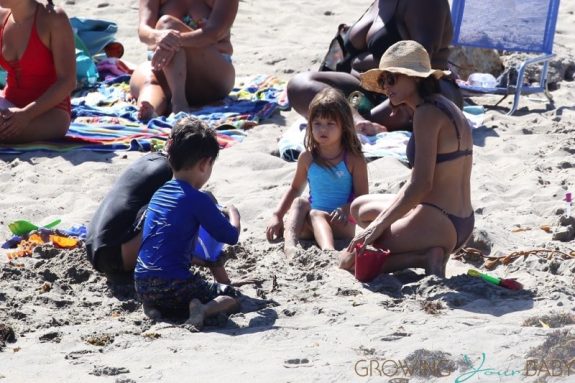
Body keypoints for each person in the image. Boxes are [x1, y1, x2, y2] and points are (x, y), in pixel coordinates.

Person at [339, 40, 474, 278]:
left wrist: (375, 228)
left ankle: (423, 257)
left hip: (440, 221)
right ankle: (423, 246)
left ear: (414, 78)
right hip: (459, 218)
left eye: (392, 79)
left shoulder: (426, 114)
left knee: (352, 262)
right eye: (383, 80)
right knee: (359, 207)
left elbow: (422, 184)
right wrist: (377, 223)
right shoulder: (445, 105)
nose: (386, 86)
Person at [287, 0, 461, 134]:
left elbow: (422, 65)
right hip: (369, 87)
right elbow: (341, 52)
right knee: (299, 85)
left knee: (413, 106)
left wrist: (382, 109)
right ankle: (354, 120)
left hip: (413, 92)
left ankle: (354, 121)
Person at [134, 116, 240, 326]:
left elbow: (161, 244)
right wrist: (234, 213)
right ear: (204, 164)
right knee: (232, 297)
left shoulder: (158, 194)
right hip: (175, 285)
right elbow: (231, 236)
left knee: (170, 292)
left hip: (142, 285)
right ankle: (203, 309)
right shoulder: (197, 199)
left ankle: (153, 307)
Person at [86, 149, 234, 285]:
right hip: (116, 254)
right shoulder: (172, 174)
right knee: (202, 202)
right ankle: (222, 279)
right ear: (203, 163)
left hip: (94, 249)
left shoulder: (149, 159)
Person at [266, 88, 368, 257]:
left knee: (315, 213)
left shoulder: (353, 159)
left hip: (342, 224)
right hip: (311, 226)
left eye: (330, 124)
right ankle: (290, 244)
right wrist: (277, 216)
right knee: (300, 202)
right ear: (310, 125)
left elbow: (363, 198)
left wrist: (345, 209)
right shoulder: (307, 157)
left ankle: (328, 251)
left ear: (344, 126)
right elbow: (294, 188)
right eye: (317, 123)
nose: (323, 130)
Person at [129, 0, 239, 121]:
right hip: (165, 69)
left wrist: (173, 41)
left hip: (210, 75)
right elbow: (144, 30)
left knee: (167, 23)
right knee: (148, 79)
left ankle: (178, 102)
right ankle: (151, 109)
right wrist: (159, 37)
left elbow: (213, 34)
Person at [0, 0, 75, 143]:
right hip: (8, 104)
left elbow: (68, 82)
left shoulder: (54, 19)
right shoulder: (2, 18)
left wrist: (25, 115)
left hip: (49, 112)